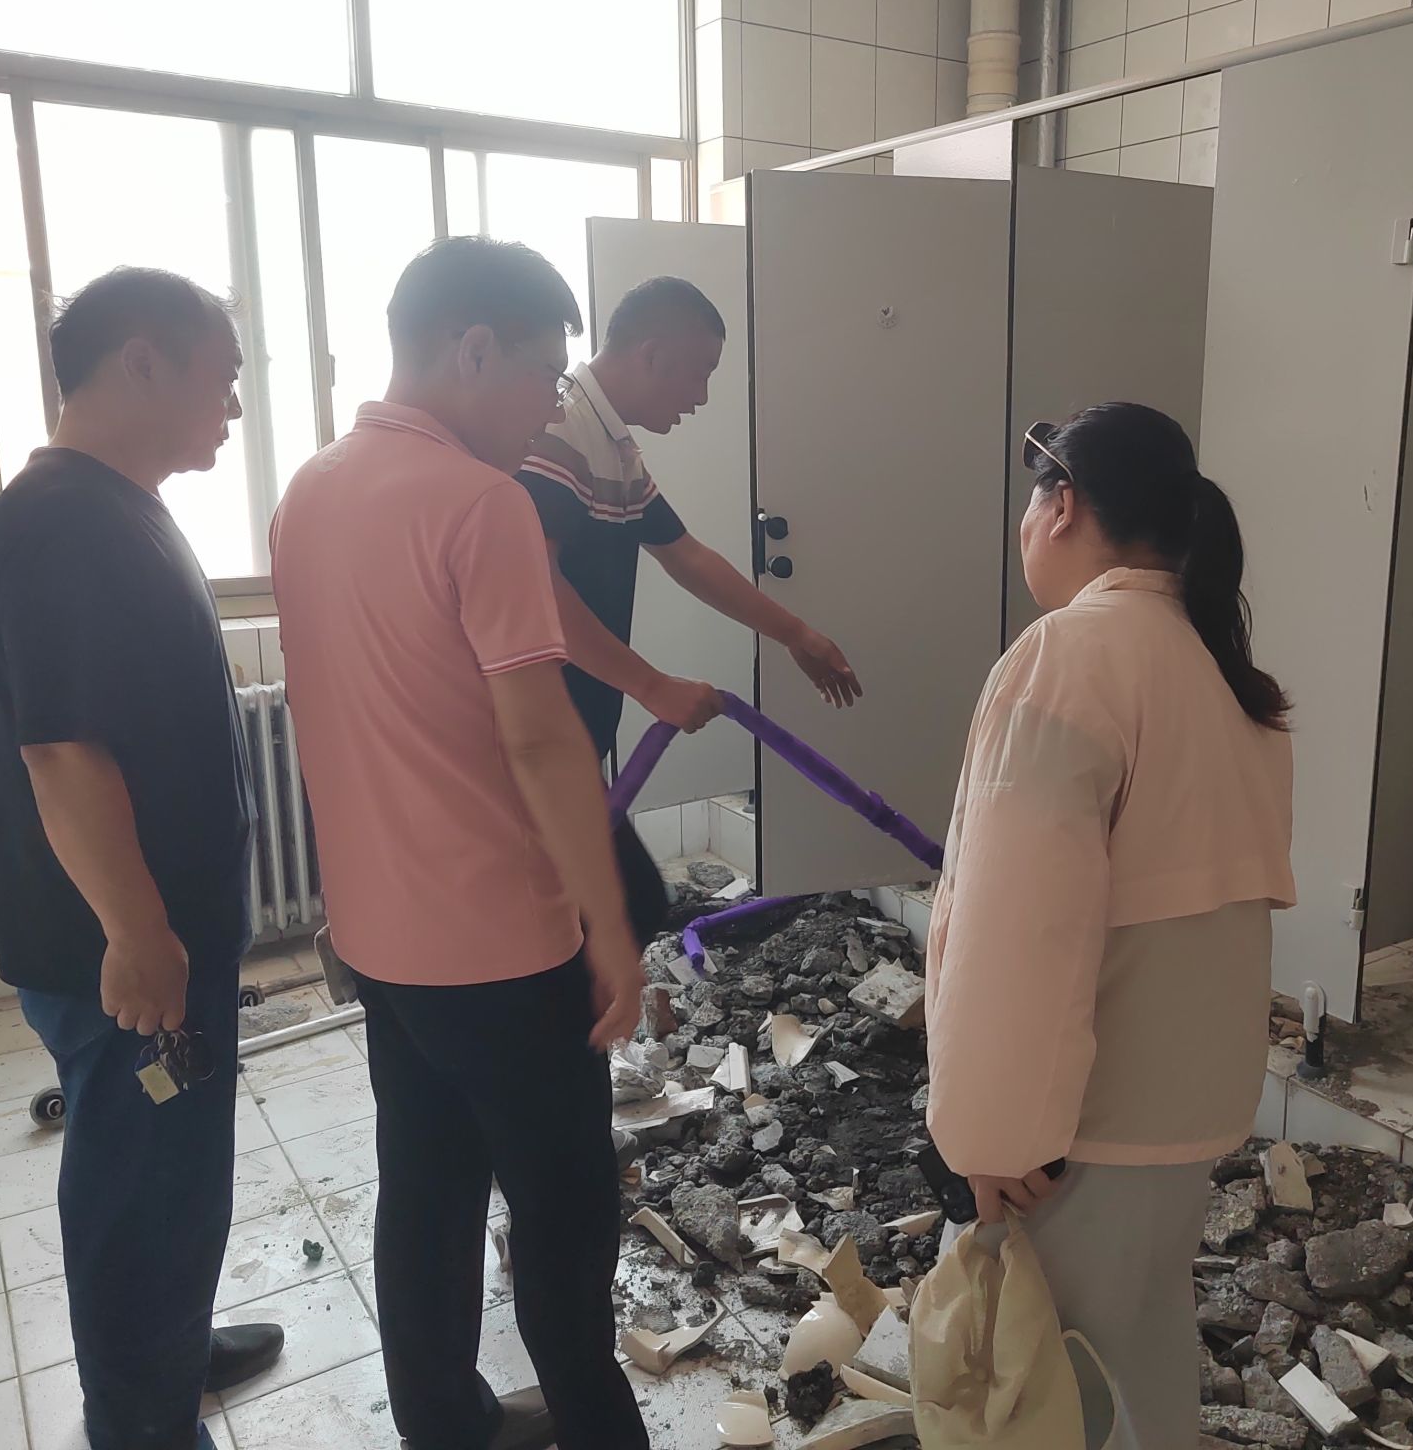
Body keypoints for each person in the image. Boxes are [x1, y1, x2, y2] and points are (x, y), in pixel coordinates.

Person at [270, 237, 649, 1450]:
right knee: (565, 1217)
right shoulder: (480, 502)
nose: (550, 406)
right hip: (500, 948)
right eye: (545, 375)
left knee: (426, 1190)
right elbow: (541, 741)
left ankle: (441, 1422)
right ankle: (600, 1432)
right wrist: (608, 926)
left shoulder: (310, 489)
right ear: (472, 349)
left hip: (382, 939)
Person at [924, 403, 1295, 1450]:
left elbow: (1019, 929)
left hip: (1083, 1124)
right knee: (1138, 1356)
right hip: (1185, 1107)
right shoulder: (1215, 669)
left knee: (1044, 1392)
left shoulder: (1069, 655)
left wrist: (991, 1137)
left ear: (1063, 503)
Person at [0, 267, 284, 1450]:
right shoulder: (59, 521)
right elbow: (62, 753)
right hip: (117, 951)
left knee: (178, 1176)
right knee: (139, 1194)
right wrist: (138, 932)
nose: (234, 407)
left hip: (159, 935)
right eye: (224, 378)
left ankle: (170, 1350)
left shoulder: (120, 505)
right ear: (141, 361)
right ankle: (140, 1422)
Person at [518, 275, 861, 762]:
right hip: (531, 738)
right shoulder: (561, 430)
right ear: (653, 356)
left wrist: (796, 634)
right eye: (701, 374)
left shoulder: (613, 447)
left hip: (570, 730)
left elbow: (686, 556)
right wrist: (651, 685)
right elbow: (534, 586)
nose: (701, 398)